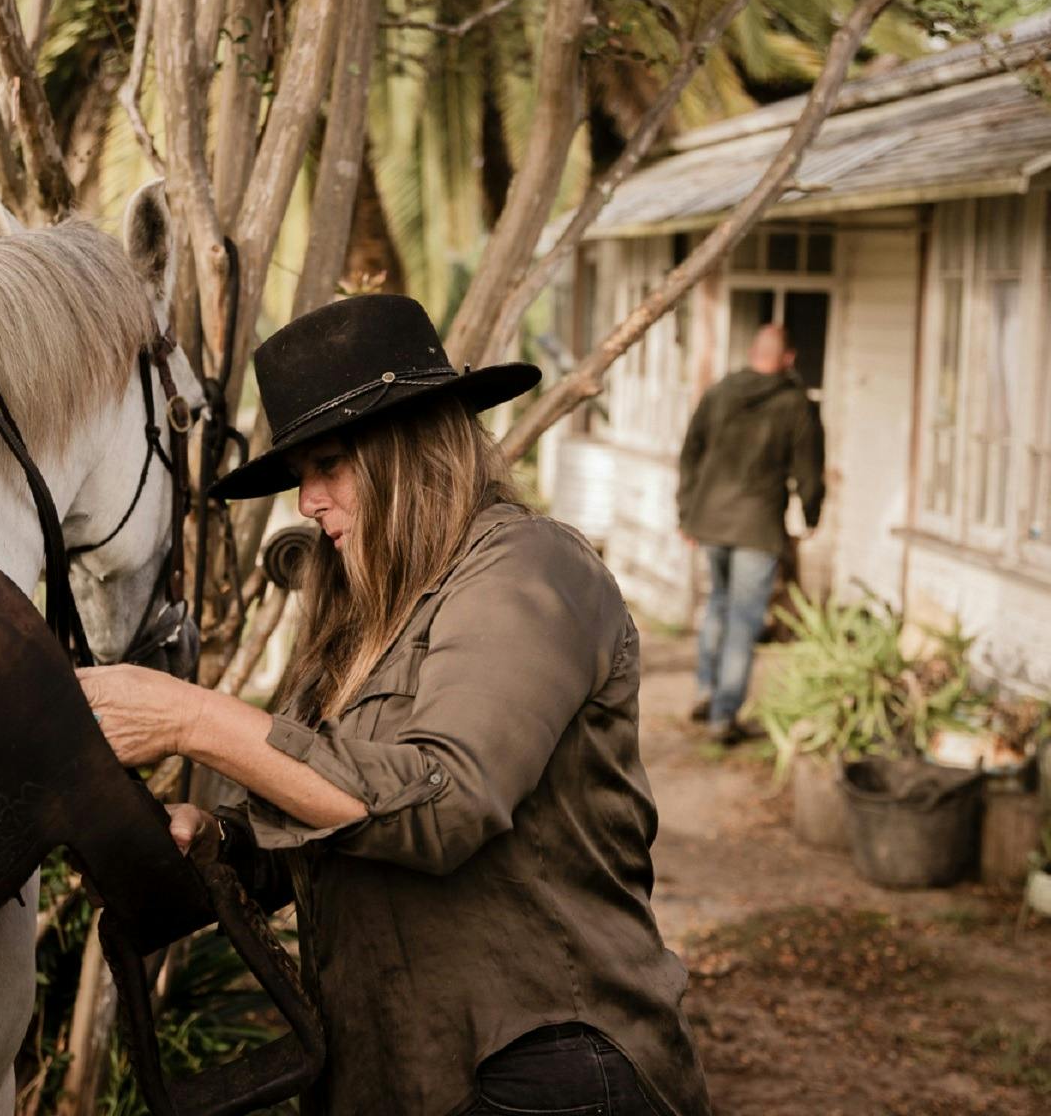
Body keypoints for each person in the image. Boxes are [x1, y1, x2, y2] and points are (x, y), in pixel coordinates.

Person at [79, 295, 710, 1116]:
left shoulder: (527, 569)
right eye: (300, 475)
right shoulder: (360, 617)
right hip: (402, 1072)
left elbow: (439, 802)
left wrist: (190, 720)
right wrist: (223, 843)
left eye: (329, 464)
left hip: (542, 1067)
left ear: (410, 450)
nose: (307, 501)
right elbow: (327, 817)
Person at [676, 323, 825, 743]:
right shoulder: (797, 405)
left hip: (710, 520)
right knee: (743, 621)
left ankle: (707, 691)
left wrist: (687, 513)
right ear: (788, 358)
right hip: (757, 528)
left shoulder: (720, 392)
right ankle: (724, 716)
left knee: (718, 606)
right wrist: (812, 515)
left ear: (751, 352)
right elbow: (808, 470)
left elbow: (690, 452)